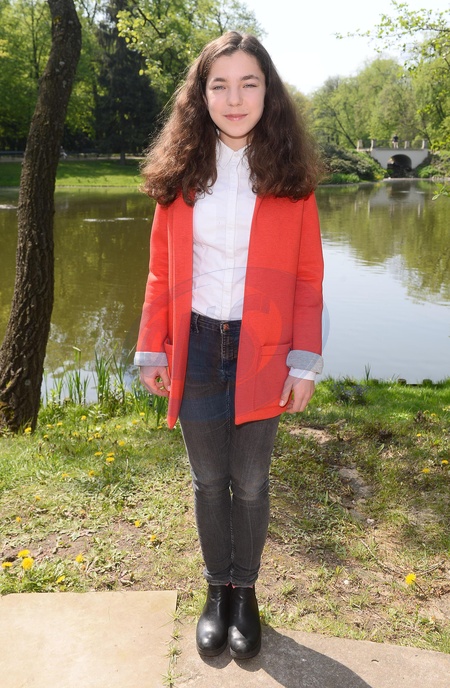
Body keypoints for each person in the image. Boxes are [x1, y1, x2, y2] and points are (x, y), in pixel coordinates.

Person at [134, 31, 324, 660]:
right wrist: (153, 347)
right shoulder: (181, 174)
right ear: (201, 95)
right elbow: (160, 270)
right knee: (209, 479)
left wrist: (304, 361)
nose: (235, 99)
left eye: (249, 84)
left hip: (263, 349)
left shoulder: (291, 180)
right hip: (195, 344)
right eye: (220, 85)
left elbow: (308, 278)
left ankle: (246, 592)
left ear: (269, 94)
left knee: (251, 480)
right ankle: (217, 589)